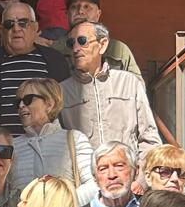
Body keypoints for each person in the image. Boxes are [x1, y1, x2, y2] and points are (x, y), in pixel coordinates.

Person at [59, 20, 160, 166]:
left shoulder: (128, 82)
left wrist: (141, 179)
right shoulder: (62, 91)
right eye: (71, 43)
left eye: (82, 41)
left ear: (102, 45)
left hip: (129, 178)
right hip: (85, 183)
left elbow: (149, 136)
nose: (75, 48)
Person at [0, 2, 69, 130]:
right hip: (0, 147)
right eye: (9, 24)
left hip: (47, 145)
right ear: (2, 31)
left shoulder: (55, 60)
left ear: (35, 27)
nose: (16, 29)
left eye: (23, 23)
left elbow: (65, 108)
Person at [12, 77, 96, 203]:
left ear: (49, 104)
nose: (21, 105)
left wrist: (65, 205)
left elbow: (94, 184)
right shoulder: (11, 146)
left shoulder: (75, 139)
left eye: (28, 100)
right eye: (18, 102)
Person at [61, 0, 143, 79]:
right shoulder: (56, 48)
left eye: (87, 7)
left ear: (98, 14)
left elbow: (138, 87)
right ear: (67, 14)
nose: (80, 11)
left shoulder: (119, 50)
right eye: (74, 7)